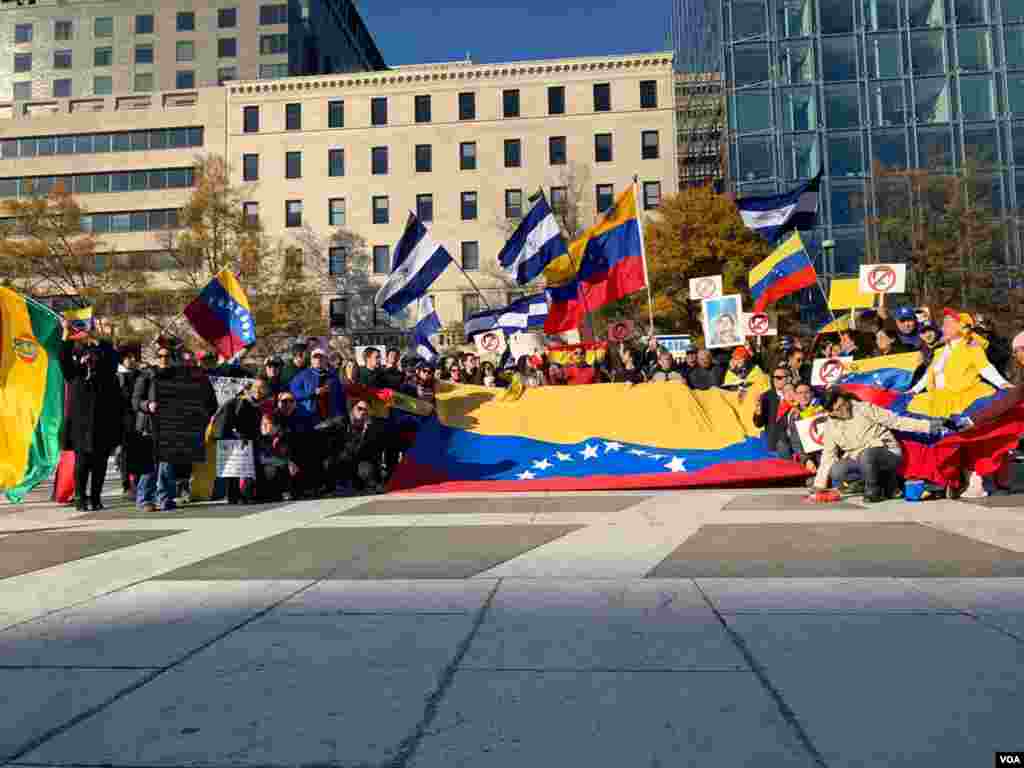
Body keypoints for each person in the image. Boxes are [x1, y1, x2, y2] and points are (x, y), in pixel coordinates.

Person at [811, 390, 947, 503]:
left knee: (867, 455)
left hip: (887, 452)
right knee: (837, 470)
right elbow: (828, 455)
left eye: (844, 403)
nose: (845, 408)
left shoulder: (864, 408)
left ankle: (873, 491)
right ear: (831, 413)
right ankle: (877, 484)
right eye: (838, 409)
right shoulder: (830, 426)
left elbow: (896, 421)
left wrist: (929, 426)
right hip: (860, 459)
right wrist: (819, 485)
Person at [59, 324, 124, 512]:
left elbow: (113, 357)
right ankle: (80, 497)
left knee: (100, 461)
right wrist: (66, 335)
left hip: (102, 420)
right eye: (88, 356)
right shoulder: (75, 372)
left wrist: (97, 339)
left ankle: (96, 497)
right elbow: (63, 359)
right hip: (81, 421)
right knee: (82, 461)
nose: (91, 359)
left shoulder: (106, 371)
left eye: (94, 356)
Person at [907, 309, 1012, 418]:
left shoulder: (971, 346)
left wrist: (1002, 383)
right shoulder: (940, 351)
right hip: (938, 397)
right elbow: (929, 374)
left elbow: (985, 367)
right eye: (944, 324)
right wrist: (914, 390)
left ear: (960, 326)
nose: (943, 328)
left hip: (962, 396)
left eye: (948, 324)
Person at [212, 377, 269, 504]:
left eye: (262, 388)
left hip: (240, 438)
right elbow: (236, 422)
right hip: (236, 438)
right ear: (252, 389)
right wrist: (240, 438)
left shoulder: (253, 403)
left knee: (238, 469)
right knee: (238, 468)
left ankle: (237, 496)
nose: (259, 391)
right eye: (257, 388)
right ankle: (239, 496)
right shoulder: (243, 402)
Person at [290, 347, 346, 425]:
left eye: (321, 358)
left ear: (326, 360)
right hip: (308, 417)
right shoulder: (302, 375)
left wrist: (339, 414)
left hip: (330, 418)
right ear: (311, 360)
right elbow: (294, 393)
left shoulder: (333, 377)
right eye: (315, 358)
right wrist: (313, 392)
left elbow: (340, 396)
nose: (318, 360)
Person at [252, 412, 297, 502]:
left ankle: (286, 491)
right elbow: (261, 459)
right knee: (270, 468)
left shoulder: (283, 438)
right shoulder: (258, 439)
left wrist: (289, 462)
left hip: (278, 470)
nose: (263, 427)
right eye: (262, 424)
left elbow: (287, 454)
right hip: (264, 469)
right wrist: (286, 462)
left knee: (285, 467)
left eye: (267, 424)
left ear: (276, 427)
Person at [116, 346, 141, 496]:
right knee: (125, 454)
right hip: (124, 420)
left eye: (133, 357)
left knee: (138, 452)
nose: (132, 360)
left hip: (138, 419)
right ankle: (126, 485)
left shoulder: (139, 374)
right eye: (129, 357)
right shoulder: (117, 375)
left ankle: (137, 483)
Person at [753, 367, 793, 457]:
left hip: (795, 443)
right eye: (774, 377)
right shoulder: (766, 396)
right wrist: (758, 412)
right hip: (775, 445)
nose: (775, 380)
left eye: (779, 377)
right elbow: (758, 424)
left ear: (789, 378)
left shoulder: (796, 394)